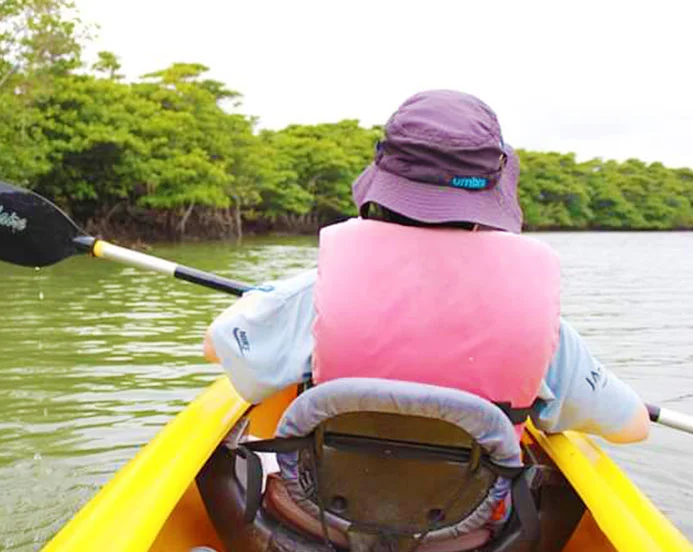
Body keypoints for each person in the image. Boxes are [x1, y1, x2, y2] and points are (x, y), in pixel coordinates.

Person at [203, 89, 649, 444]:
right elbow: (632, 426)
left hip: (323, 516)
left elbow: (215, 345)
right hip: (473, 530)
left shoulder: (316, 295)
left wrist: (270, 303)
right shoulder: (538, 322)